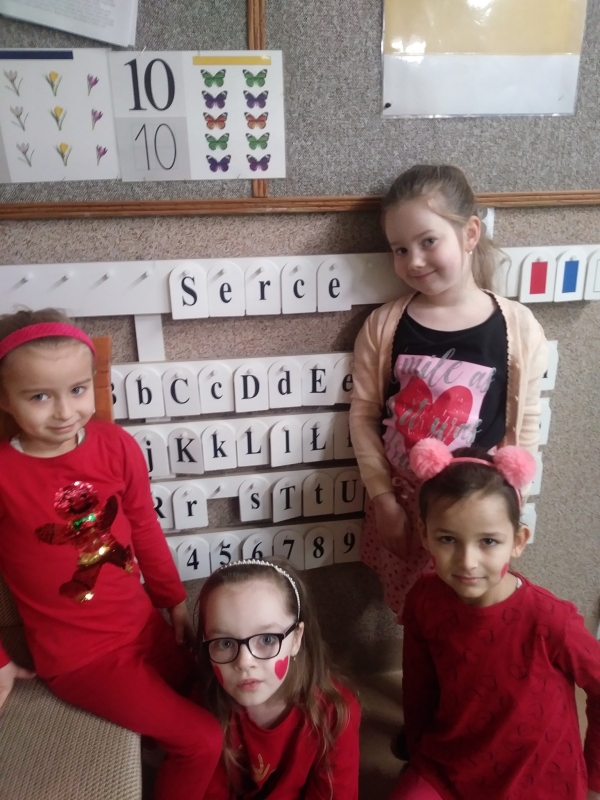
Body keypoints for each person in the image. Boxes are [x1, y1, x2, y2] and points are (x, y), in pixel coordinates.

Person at [0, 309, 222, 800]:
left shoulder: (116, 445)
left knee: (217, 699)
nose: (65, 412)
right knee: (202, 740)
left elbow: (143, 525)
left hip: (144, 628)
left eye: (78, 389)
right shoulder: (5, 474)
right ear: (4, 399)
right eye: (40, 396)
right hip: (82, 661)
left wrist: (173, 601)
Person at [349, 163, 548, 620]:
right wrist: (383, 498)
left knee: (472, 609)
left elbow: (525, 424)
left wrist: (512, 501)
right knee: (416, 612)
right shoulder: (384, 325)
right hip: (402, 503)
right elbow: (363, 415)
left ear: (470, 233)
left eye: (428, 241)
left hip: (476, 508)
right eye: (400, 249)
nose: (414, 261)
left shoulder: (517, 327)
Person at [389, 437, 600, 800]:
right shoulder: (424, 599)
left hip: (535, 777)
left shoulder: (552, 620)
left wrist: (595, 778)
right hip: (449, 764)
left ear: (518, 541)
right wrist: (419, 752)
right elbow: (419, 687)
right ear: (424, 534)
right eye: (448, 539)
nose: (467, 562)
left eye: (488, 541)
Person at [196, 558, 361, 799]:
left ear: (296, 639)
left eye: (266, 639)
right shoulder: (205, 705)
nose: (244, 662)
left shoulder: (334, 712)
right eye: (224, 643)